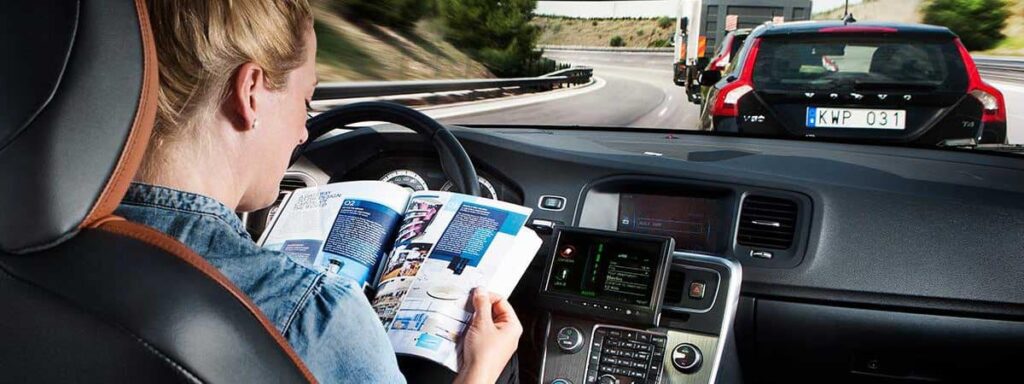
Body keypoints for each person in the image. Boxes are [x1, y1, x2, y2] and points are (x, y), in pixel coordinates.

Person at [116, 1, 522, 383]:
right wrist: (479, 369)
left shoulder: (63, 240)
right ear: (251, 92)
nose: (303, 132)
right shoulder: (316, 313)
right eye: (306, 104)